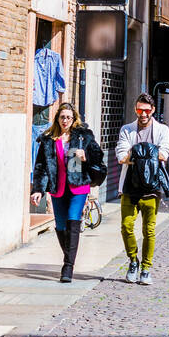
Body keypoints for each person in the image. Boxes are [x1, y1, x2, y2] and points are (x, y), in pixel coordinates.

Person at [31, 102, 104, 283]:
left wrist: (85, 156)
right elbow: (40, 166)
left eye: (68, 117)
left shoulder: (83, 136)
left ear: (74, 119)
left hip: (78, 187)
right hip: (58, 188)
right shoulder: (49, 139)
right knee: (61, 226)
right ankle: (70, 256)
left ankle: (67, 267)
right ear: (57, 118)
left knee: (73, 221)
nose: (65, 120)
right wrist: (38, 189)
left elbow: (98, 156)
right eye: (62, 117)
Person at [116, 93, 169, 286]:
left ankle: (146, 268)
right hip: (130, 187)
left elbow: (164, 153)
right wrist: (149, 154)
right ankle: (133, 261)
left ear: (153, 110)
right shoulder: (127, 130)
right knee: (126, 226)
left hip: (152, 188)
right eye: (140, 110)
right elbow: (122, 155)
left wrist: (137, 154)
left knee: (149, 231)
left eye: (147, 110)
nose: (143, 114)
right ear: (135, 109)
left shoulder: (162, 130)